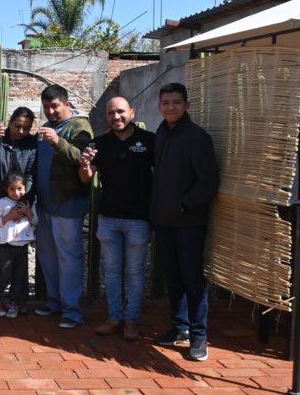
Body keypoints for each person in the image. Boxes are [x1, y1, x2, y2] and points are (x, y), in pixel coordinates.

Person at [150, 82, 218, 361]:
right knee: (173, 277)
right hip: (163, 220)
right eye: (166, 103)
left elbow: (208, 182)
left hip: (189, 222)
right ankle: (179, 328)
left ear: (187, 105)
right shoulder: (161, 133)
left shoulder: (197, 137)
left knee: (192, 279)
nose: (170, 107)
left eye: (176, 102)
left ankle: (199, 336)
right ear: (160, 106)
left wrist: (183, 204)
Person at [79, 96, 154, 341]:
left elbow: (163, 173)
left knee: (134, 272)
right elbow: (85, 178)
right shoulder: (99, 143)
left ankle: (131, 321)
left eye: (121, 112)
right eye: (111, 113)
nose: (116, 117)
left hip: (138, 219)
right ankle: (115, 317)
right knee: (111, 271)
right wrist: (85, 164)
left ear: (132, 112)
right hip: (108, 217)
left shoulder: (149, 141)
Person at [35, 85, 93, 329]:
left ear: (67, 104)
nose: (50, 111)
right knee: (47, 255)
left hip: (67, 204)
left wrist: (58, 141)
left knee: (69, 257)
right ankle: (55, 301)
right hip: (45, 205)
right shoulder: (48, 128)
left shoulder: (80, 127)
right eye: (46, 106)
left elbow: (83, 158)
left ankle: (72, 310)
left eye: (55, 106)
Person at [0, 107, 37, 303]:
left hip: (21, 207)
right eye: (17, 126)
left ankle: (18, 298)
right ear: (10, 121)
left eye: (26, 128)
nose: (21, 131)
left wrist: (22, 200)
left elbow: (30, 173)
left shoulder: (32, 145)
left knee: (20, 252)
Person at [0, 171, 38, 319]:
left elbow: (36, 222)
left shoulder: (28, 203)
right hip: (7, 246)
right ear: (6, 189)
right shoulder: (2, 202)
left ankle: (13, 302)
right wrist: (9, 217)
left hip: (22, 246)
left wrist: (28, 212)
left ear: (25, 188)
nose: (16, 192)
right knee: (6, 275)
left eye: (20, 188)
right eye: (12, 189)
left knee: (18, 277)